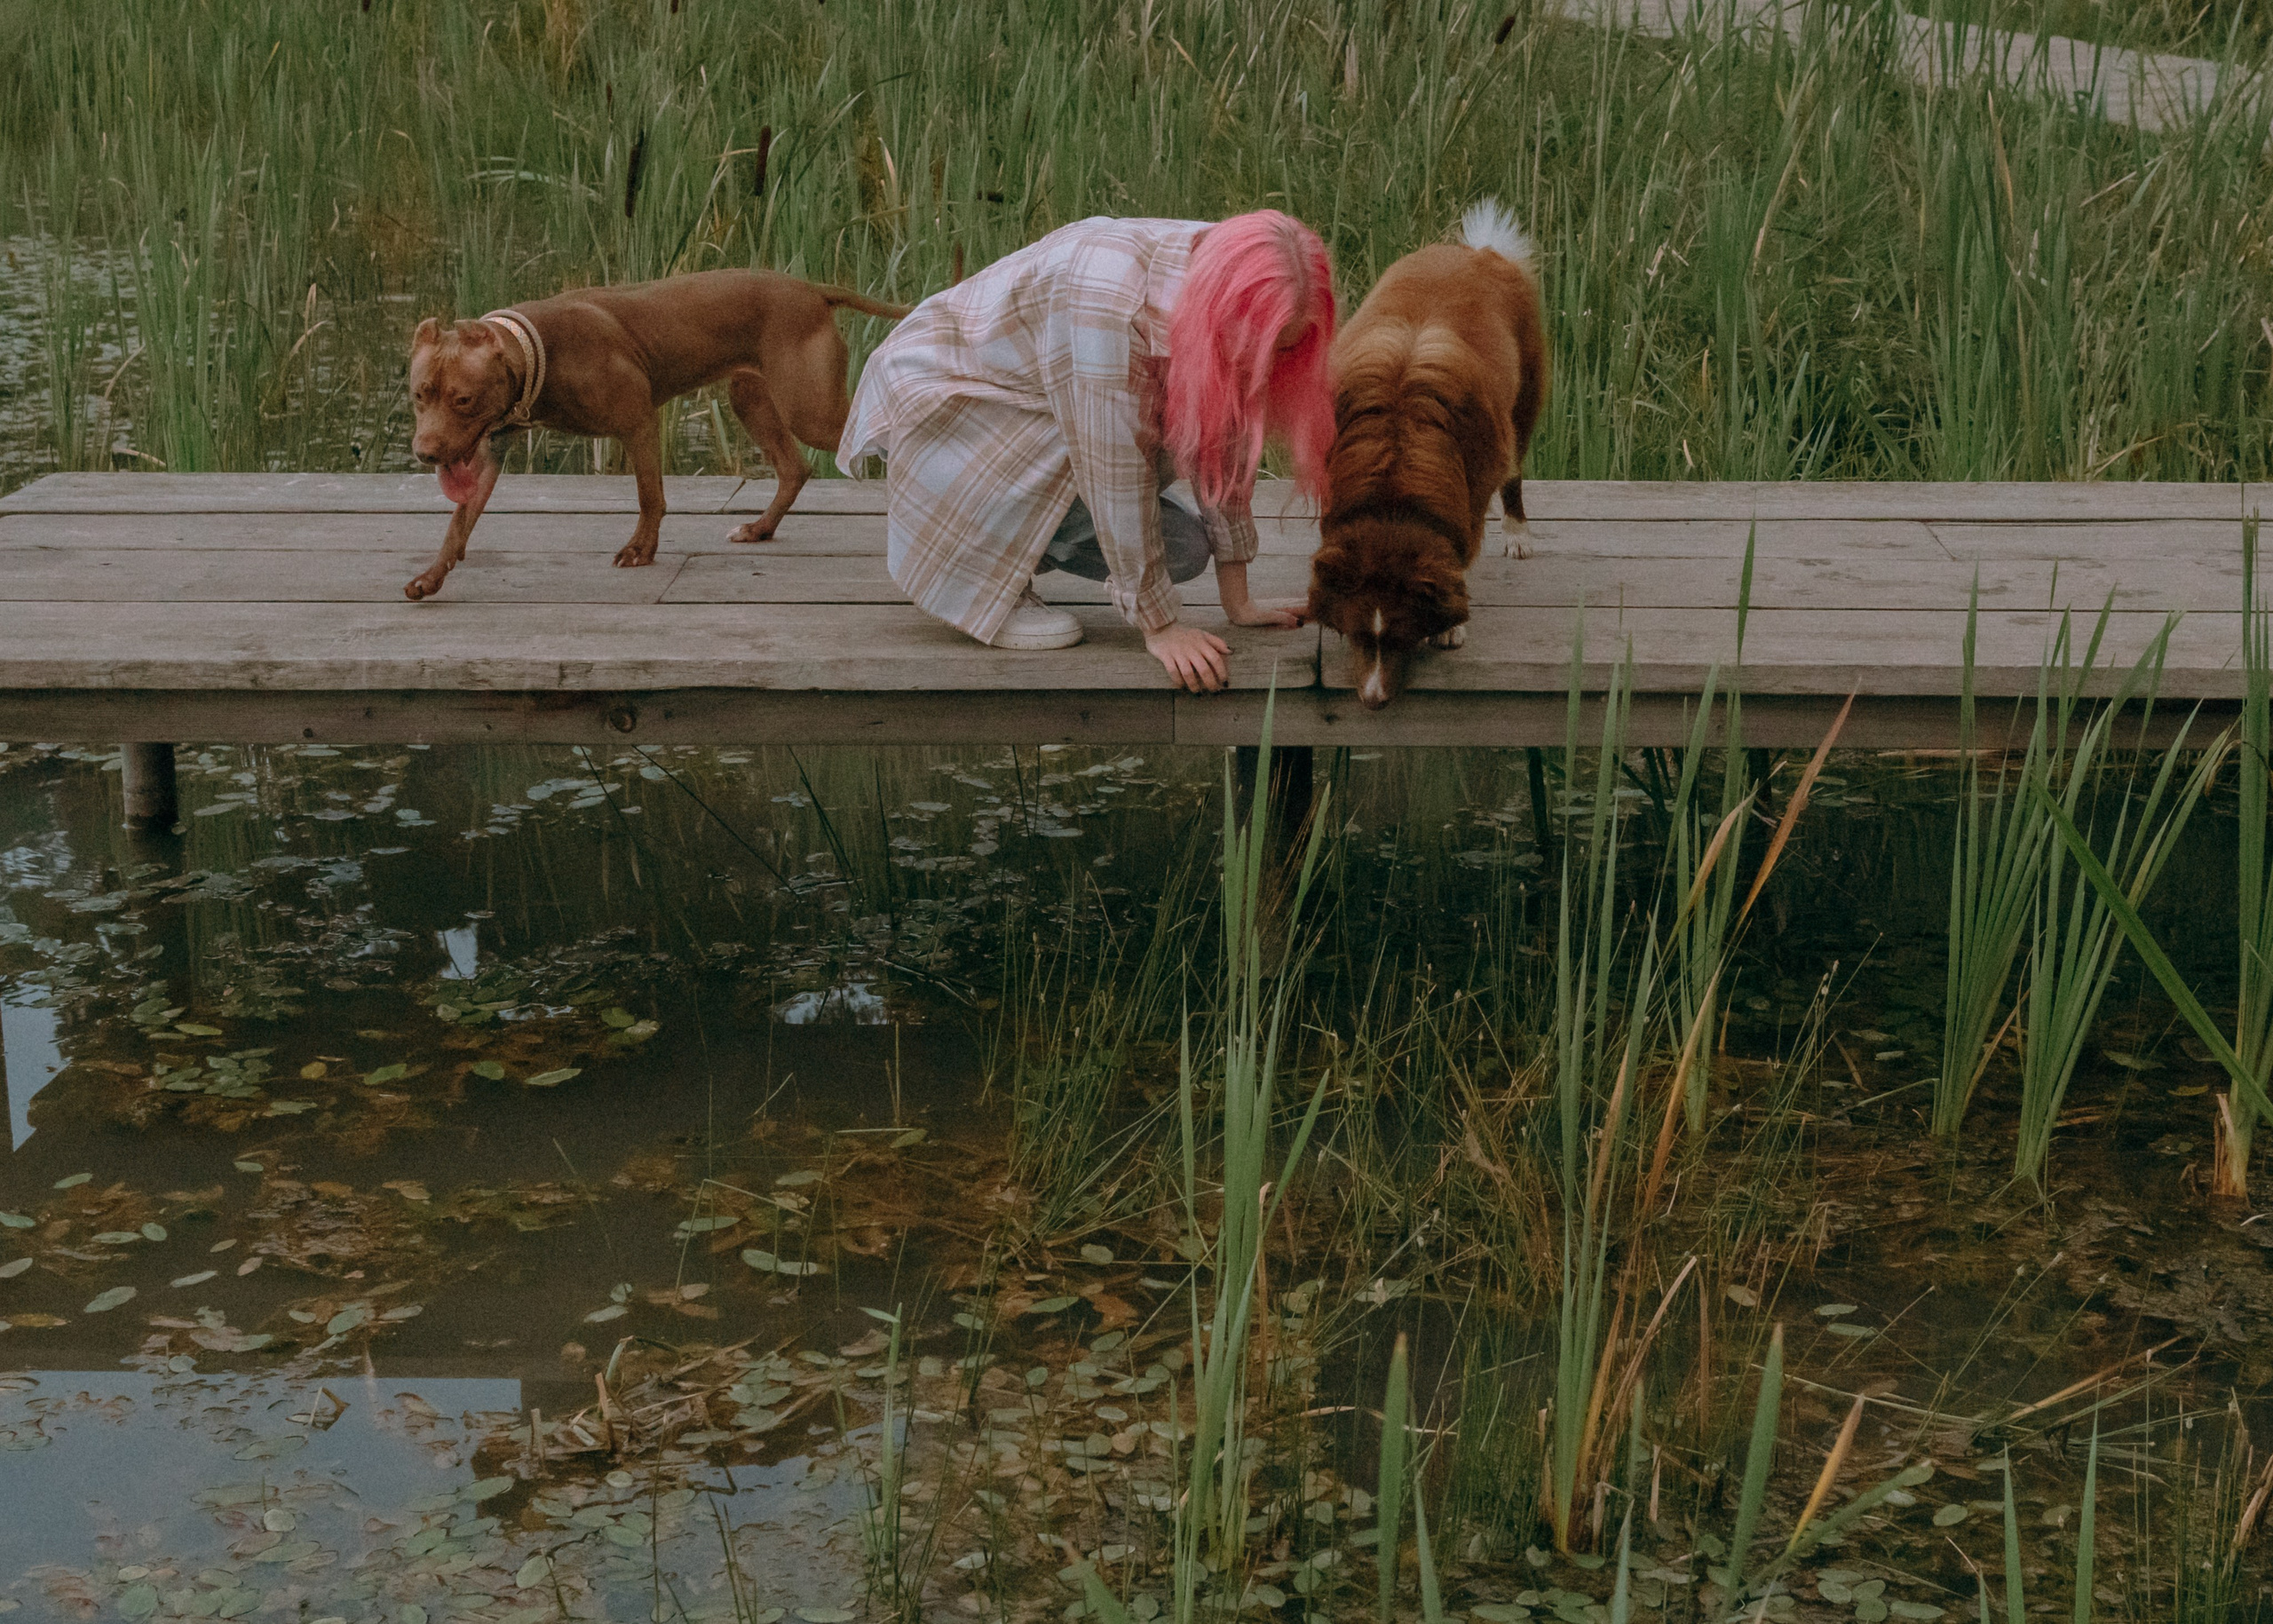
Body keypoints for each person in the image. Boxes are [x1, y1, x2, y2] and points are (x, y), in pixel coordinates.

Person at [836, 211, 1336, 692]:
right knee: (1120, 442)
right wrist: (1160, 628)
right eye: (1265, 347)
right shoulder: (1113, 310)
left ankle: (1023, 548)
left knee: (1183, 551)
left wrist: (1239, 602)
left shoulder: (1236, 268)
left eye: (1286, 349)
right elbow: (1114, 471)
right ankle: (971, 574)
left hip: (1044, 413)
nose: (1272, 363)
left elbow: (1222, 434)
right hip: (956, 413)